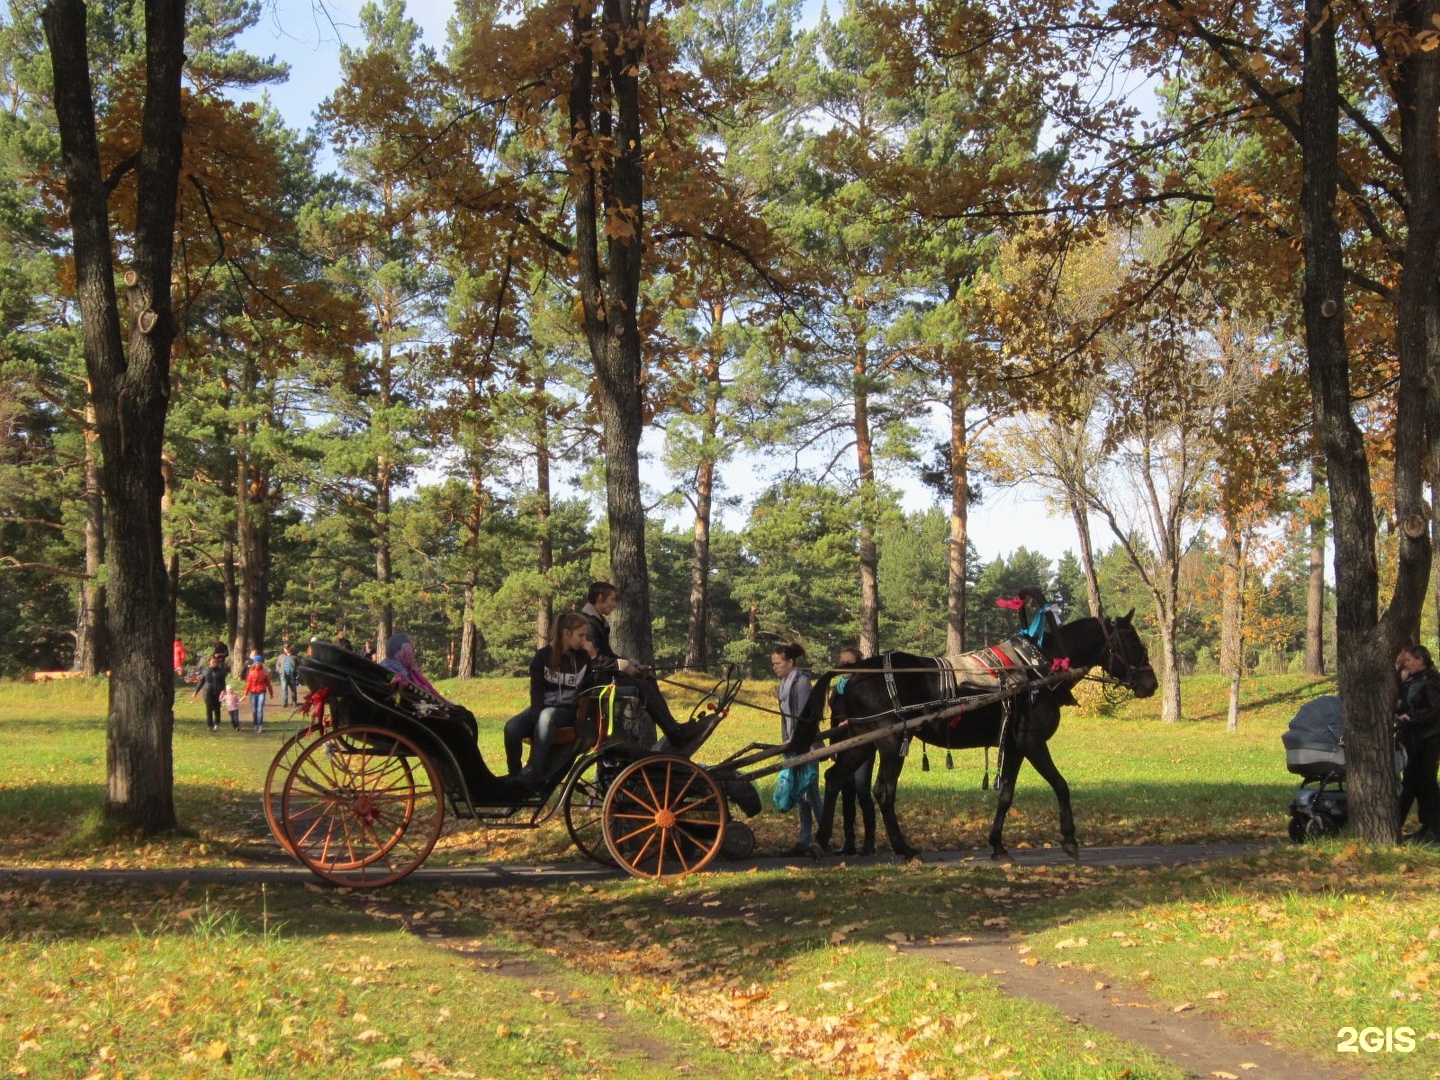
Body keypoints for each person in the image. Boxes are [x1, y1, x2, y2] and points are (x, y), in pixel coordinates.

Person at [579, 581, 712, 753]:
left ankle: (674, 730)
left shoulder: (595, 621)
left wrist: (631, 664)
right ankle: (675, 734)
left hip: (603, 674)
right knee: (641, 686)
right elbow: (594, 661)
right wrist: (622, 665)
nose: (614, 604)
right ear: (600, 598)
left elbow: (606, 656)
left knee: (647, 677)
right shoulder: (588, 625)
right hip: (596, 680)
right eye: (612, 599)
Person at [503, 613, 592, 779]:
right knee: (512, 727)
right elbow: (536, 691)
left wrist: (594, 657)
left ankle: (533, 769)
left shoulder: (584, 657)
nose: (584, 640)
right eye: (581, 635)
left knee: (546, 716)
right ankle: (514, 776)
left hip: (566, 711)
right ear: (566, 633)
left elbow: (593, 685)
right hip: (542, 708)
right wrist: (536, 718)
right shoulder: (543, 656)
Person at [774, 643, 823, 857]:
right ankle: (805, 840)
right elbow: (785, 719)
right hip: (794, 745)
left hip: (806, 746)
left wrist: (798, 745)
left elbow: (805, 719)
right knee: (801, 794)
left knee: (810, 793)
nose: (774, 667)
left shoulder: (801, 683)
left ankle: (823, 837)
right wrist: (786, 742)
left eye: (778, 663)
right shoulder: (784, 683)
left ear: (790, 662)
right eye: (773, 664)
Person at [829, 646, 876, 855]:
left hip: (862, 746)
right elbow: (833, 719)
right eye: (842, 662)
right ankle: (849, 842)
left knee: (862, 789)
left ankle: (869, 841)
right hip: (842, 745)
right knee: (846, 792)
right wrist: (831, 746)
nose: (844, 667)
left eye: (849, 663)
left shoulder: (865, 688)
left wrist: (851, 723)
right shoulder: (836, 689)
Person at [1396, 645, 1440, 843]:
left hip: (1429, 740)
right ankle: (1426, 827)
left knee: (1426, 784)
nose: (1406, 663)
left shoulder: (1431, 682)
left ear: (1421, 660)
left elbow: (1435, 712)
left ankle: (1435, 829)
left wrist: (1411, 718)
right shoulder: (1412, 680)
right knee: (1414, 783)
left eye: (1410, 660)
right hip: (1415, 741)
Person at [379, 633, 444, 697]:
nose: (414, 653)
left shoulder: (409, 671)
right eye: (412, 649)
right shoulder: (386, 669)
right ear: (404, 651)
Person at [192, 654, 228, 731]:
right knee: (209, 708)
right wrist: (196, 691)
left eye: (215, 662)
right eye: (213, 662)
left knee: (217, 708)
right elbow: (201, 682)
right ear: (209, 662)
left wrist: (224, 690)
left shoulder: (220, 671)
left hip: (217, 692)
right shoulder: (205, 671)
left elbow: (223, 682)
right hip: (207, 692)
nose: (214, 664)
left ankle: (217, 723)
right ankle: (210, 725)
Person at [244, 652, 273, 733]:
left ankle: (260, 725)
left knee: (259, 709)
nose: (257, 665)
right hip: (253, 692)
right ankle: (255, 724)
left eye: (259, 663)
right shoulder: (251, 673)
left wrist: (271, 693)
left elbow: (268, 684)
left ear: (261, 664)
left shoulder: (264, 673)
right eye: (256, 663)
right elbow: (248, 684)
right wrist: (245, 694)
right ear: (254, 664)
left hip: (261, 692)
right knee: (254, 710)